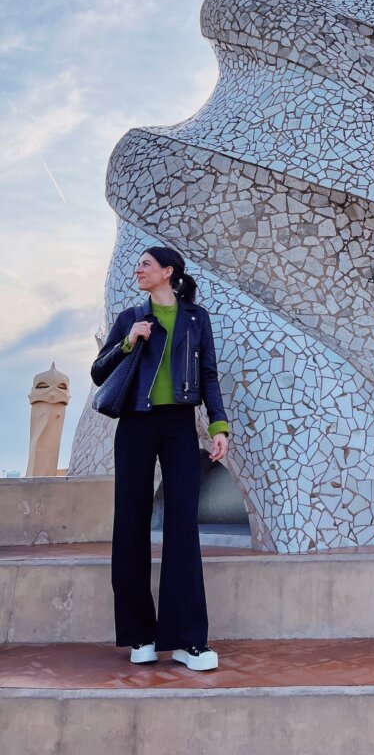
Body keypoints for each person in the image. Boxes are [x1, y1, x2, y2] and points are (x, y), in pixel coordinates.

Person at [90, 245, 230, 671]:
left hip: (179, 426)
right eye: (138, 265)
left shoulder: (195, 317)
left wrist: (220, 426)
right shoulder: (130, 319)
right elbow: (99, 372)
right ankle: (140, 635)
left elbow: (207, 374)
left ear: (168, 272)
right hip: (135, 424)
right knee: (130, 524)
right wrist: (129, 342)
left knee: (182, 525)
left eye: (146, 264)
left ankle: (189, 641)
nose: (139, 270)